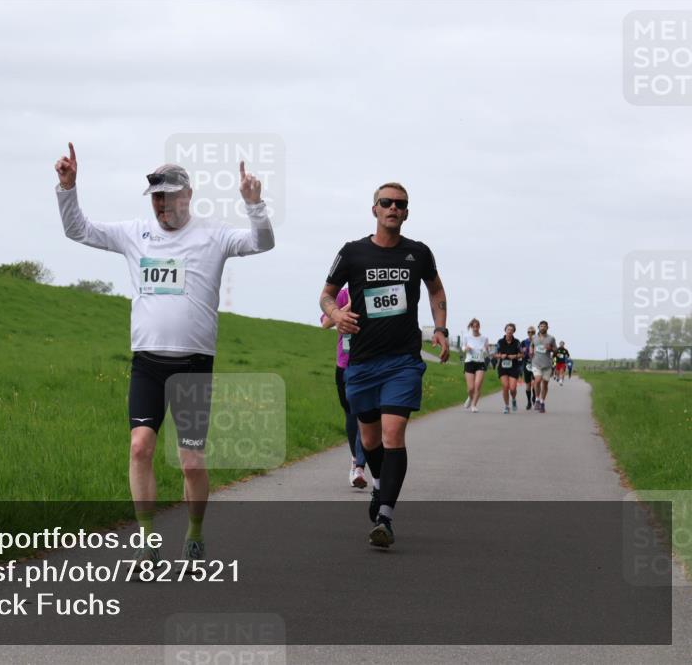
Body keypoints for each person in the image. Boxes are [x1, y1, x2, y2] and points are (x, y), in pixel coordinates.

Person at [55, 143, 274, 564]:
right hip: (148, 363)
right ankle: (147, 541)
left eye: (168, 197)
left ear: (187, 196)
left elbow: (261, 243)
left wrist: (254, 204)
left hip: (193, 365)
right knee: (140, 447)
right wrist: (68, 188)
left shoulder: (214, 234)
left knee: (191, 460)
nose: (161, 206)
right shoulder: (134, 233)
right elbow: (78, 230)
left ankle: (194, 535)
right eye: (156, 198)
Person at [320, 182, 449, 548]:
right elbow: (326, 294)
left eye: (400, 204)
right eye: (386, 203)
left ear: (406, 213)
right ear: (374, 209)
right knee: (370, 439)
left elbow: (436, 289)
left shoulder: (418, 253)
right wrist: (335, 314)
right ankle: (379, 485)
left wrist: (440, 328)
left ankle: (386, 517)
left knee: (393, 435)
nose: (393, 208)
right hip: (361, 363)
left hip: (402, 362)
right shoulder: (353, 253)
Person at [321, 290, 367, 488]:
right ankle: (355, 459)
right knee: (351, 416)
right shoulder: (342, 295)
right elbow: (325, 324)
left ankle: (359, 467)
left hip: (369, 364)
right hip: (345, 365)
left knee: (365, 416)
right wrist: (345, 309)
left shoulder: (373, 292)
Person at [528, 320, 556, 413]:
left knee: (545, 384)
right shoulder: (534, 337)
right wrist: (531, 351)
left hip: (547, 364)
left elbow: (556, 350)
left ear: (547, 328)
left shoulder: (551, 338)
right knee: (537, 380)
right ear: (538, 327)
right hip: (536, 363)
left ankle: (542, 402)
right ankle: (536, 399)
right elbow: (531, 346)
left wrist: (551, 349)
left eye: (544, 326)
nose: (542, 327)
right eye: (541, 326)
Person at [495, 323, 523, 414]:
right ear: (505, 330)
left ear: (513, 331)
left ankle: (514, 399)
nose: (509, 331)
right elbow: (494, 354)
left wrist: (514, 356)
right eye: (508, 329)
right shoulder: (500, 342)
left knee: (513, 388)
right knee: (505, 386)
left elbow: (522, 354)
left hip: (514, 367)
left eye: (511, 330)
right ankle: (507, 406)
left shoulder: (517, 342)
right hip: (503, 367)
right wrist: (500, 355)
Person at [461, 318, 489, 413]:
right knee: (471, 388)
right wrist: (466, 348)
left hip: (480, 363)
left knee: (477, 386)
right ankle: (470, 396)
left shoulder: (484, 338)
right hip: (469, 362)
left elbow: (486, 352)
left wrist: (485, 350)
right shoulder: (466, 337)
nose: (475, 328)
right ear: (471, 327)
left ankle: (474, 405)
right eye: (473, 326)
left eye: (477, 326)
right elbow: (463, 348)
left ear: (479, 327)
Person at [520, 326, 536, 410]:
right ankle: (529, 401)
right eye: (529, 332)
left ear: (535, 333)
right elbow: (520, 352)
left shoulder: (538, 341)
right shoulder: (523, 342)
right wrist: (523, 351)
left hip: (536, 364)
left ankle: (534, 397)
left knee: (535, 383)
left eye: (532, 332)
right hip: (526, 364)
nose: (530, 334)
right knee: (528, 384)